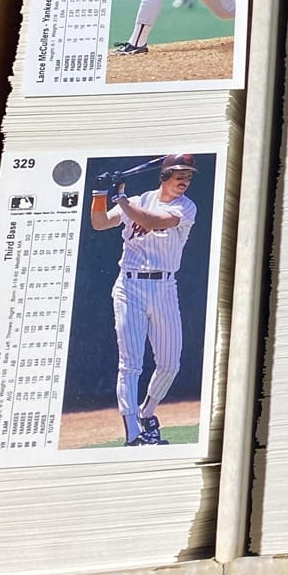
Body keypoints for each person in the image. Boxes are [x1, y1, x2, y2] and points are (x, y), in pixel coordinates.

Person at [90, 155, 198, 447]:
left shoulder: (185, 207)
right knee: (130, 364)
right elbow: (99, 223)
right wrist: (99, 194)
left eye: (188, 175)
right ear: (164, 175)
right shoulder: (139, 200)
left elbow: (153, 220)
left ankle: (146, 413)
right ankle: (133, 434)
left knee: (169, 365)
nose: (185, 180)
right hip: (129, 287)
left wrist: (121, 198)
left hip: (164, 287)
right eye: (179, 174)